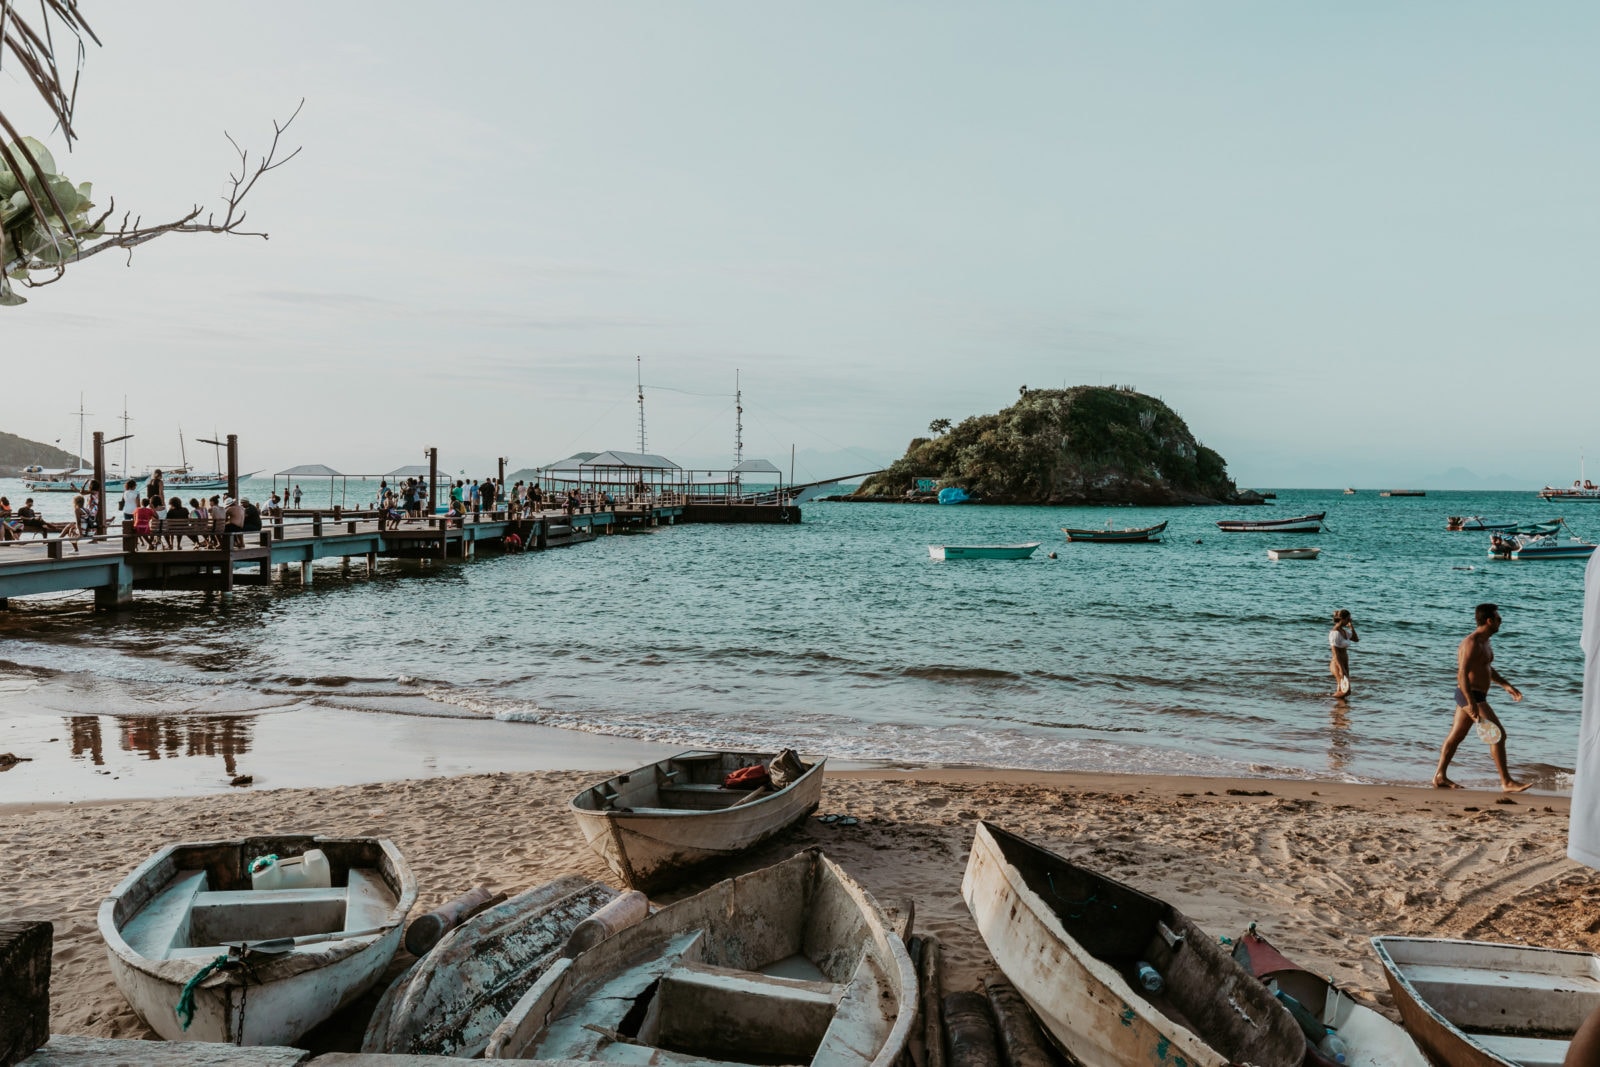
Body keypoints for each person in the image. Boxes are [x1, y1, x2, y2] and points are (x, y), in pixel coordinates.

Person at [1434, 603, 1529, 792]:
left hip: (1475, 695)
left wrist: (1505, 685)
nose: (1501, 622)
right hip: (1470, 694)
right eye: (1498, 619)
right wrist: (1471, 702)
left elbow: (1486, 668)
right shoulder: (1471, 642)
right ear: (1489, 620)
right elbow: (1461, 674)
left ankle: (1440, 776)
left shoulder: (1485, 642)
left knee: (1457, 736)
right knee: (1497, 735)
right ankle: (1507, 782)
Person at [1328, 610, 1357, 696]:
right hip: (1337, 663)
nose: (1350, 620)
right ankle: (1327, 700)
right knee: (1346, 691)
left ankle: (1338, 707)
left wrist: (1351, 626)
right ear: (1342, 619)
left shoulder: (1343, 631)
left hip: (1345, 663)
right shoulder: (1335, 633)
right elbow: (1335, 653)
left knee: (1343, 689)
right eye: (1348, 618)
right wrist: (1341, 669)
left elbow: (1355, 639)